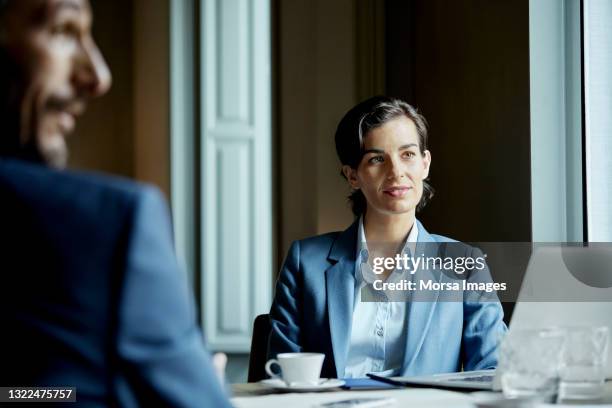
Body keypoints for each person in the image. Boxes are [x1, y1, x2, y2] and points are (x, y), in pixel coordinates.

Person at [0, 0, 231, 406]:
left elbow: (22, 393)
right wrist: (193, 386)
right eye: (63, 31)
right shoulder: (110, 224)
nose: (99, 77)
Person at [267, 96, 507, 379]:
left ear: (425, 163)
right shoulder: (304, 262)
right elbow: (282, 378)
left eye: (408, 155)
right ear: (353, 176)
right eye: (377, 159)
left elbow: (494, 373)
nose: (396, 172)